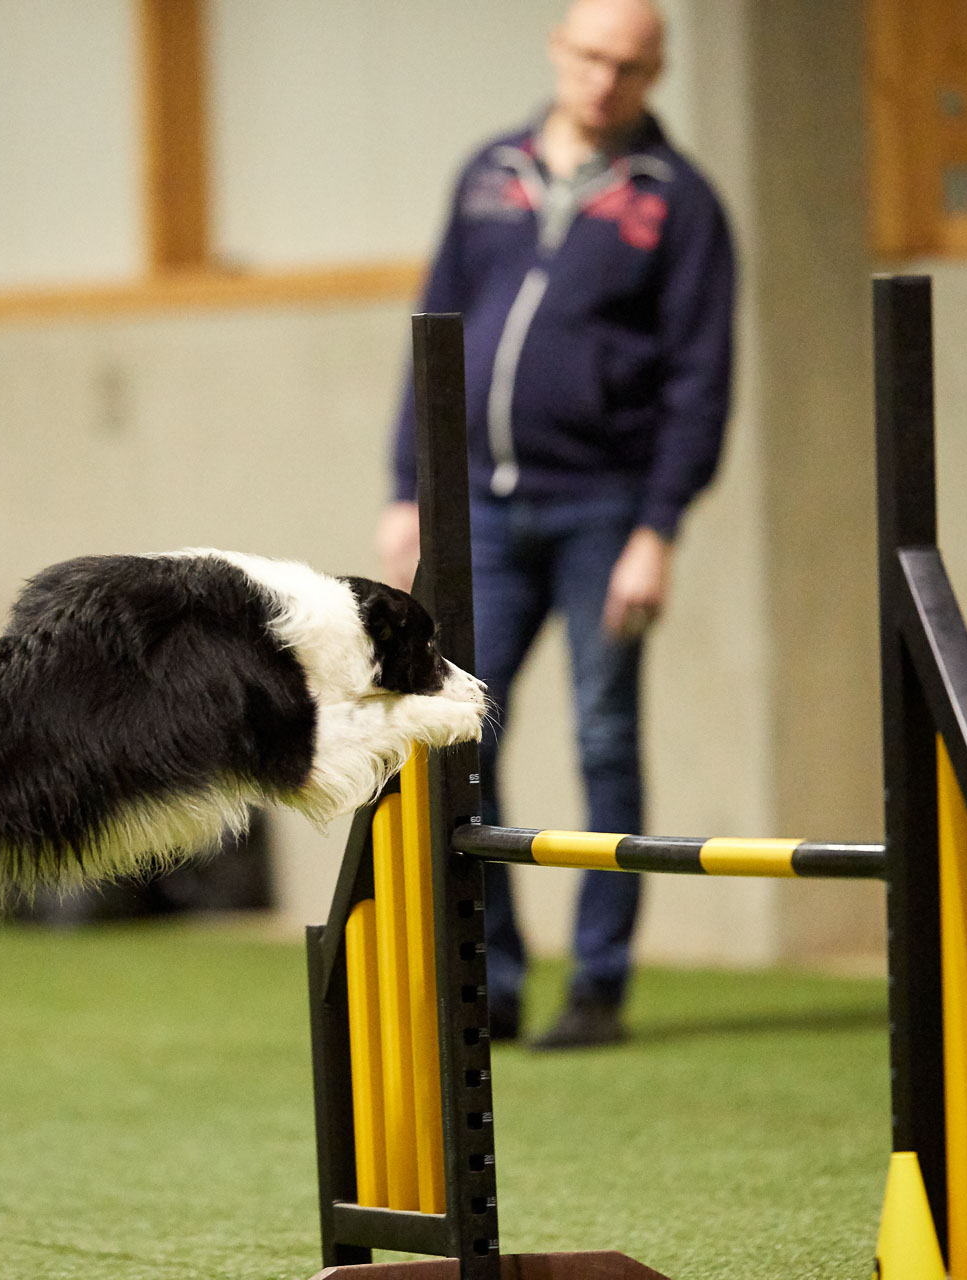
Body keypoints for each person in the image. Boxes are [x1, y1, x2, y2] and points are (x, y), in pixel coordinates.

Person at [378, 0, 734, 1050]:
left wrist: (658, 529)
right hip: (479, 510)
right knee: (463, 728)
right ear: (557, 50)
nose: (603, 80)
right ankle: (488, 982)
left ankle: (599, 984)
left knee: (603, 734)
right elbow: (432, 328)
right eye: (589, 57)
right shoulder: (488, 173)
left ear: (656, 74)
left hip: (604, 512)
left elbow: (701, 378)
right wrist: (408, 489)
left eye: (629, 66)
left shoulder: (680, 203)